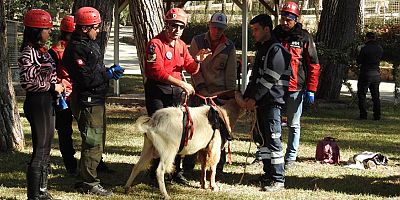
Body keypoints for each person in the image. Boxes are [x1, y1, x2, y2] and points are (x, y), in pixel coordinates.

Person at [144, 7, 211, 186]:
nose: (177, 30)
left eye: (181, 27)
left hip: (175, 94)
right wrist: (181, 83)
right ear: (166, 25)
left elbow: (189, 66)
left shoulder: (181, 45)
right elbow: (155, 70)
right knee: (161, 132)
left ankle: (175, 170)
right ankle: (156, 170)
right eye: (173, 26)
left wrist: (198, 60)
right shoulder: (155, 44)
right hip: (158, 91)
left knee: (179, 131)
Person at [62, 7, 124, 196]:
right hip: (87, 101)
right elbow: (86, 79)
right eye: (94, 27)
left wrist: (107, 71)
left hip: (97, 99)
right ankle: (89, 183)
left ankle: (86, 176)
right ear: (83, 28)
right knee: (93, 141)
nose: (97, 31)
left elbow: (95, 69)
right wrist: (107, 75)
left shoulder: (90, 43)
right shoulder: (75, 49)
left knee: (98, 140)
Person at [239, 14, 291, 192]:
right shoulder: (263, 49)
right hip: (262, 103)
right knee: (263, 141)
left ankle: (278, 179)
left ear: (266, 29)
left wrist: (254, 98)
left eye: (255, 29)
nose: (253, 33)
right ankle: (268, 174)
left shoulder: (277, 50)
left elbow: (269, 79)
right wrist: (247, 97)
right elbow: (254, 78)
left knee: (274, 140)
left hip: (272, 103)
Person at [183, 12, 237, 176]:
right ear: (209, 25)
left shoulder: (229, 46)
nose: (217, 31)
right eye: (214, 27)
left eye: (221, 28)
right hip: (199, 93)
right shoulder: (197, 41)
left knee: (220, 133)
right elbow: (193, 67)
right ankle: (188, 167)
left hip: (219, 95)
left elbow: (231, 74)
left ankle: (217, 167)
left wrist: (229, 95)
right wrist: (201, 88)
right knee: (192, 130)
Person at [19, 9, 64, 200]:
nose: (49, 32)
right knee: (39, 148)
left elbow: (49, 74)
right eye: (46, 29)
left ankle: (42, 190)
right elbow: (28, 82)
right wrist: (53, 86)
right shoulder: (28, 52)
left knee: (46, 147)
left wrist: (60, 85)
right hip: (37, 102)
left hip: (48, 101)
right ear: (37, 31)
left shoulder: (42, 51)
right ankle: (33, 195)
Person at [273, 1, 321, 169]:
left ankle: (291, 157)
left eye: (289, 19)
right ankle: (273, 153)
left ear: (296, 18)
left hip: (296, 88)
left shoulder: (304, 37)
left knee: (293, 123)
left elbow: (314, 64)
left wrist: (311, 89)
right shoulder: (275, 35)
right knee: (273, 122)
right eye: (283, 19)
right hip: (276, 87)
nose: (285, 23)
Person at [48, 15, 77, 175]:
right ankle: (71, 164)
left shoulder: (54, 50)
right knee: (67, 131)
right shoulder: (57, 51)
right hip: (65, 96)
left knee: (66, 131)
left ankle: (71, 164)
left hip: (70, 95)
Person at [357, 32, 383, 120]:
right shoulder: (379, 48)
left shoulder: (364, 49)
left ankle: (363, 114)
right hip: (376, 73)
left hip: (366, 73)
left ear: (367, 38)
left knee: (362, 94)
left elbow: (359, 61)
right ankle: (377, 115)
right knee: (375, 96)